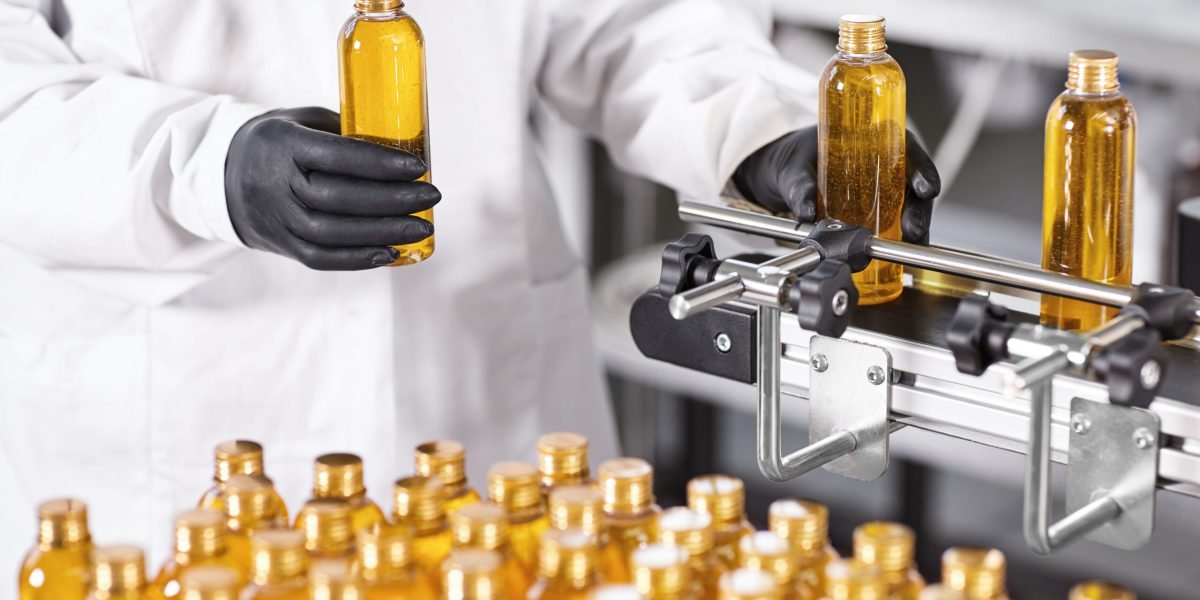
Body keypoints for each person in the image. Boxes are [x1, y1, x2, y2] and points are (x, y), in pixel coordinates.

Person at [0, 0, 939, 588]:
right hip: (180, 411)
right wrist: (209, 169)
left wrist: (760, 127)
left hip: (480, 393)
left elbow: (628, 20)